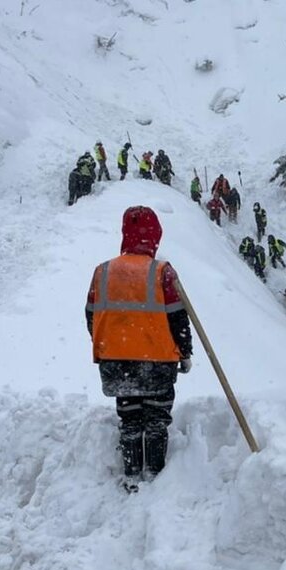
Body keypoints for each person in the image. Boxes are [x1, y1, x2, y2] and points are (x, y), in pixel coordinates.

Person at [85, 206, 193, 492]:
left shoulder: (103, 271)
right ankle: (154, 477)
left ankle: (132, 476)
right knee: (156, 418)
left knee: (130, 416)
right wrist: (185, 352)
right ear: (155, 235)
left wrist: (109, 345)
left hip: (116, 363)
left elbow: (91, 316)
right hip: (157, 362)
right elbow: (178, 318)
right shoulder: (162, 272)